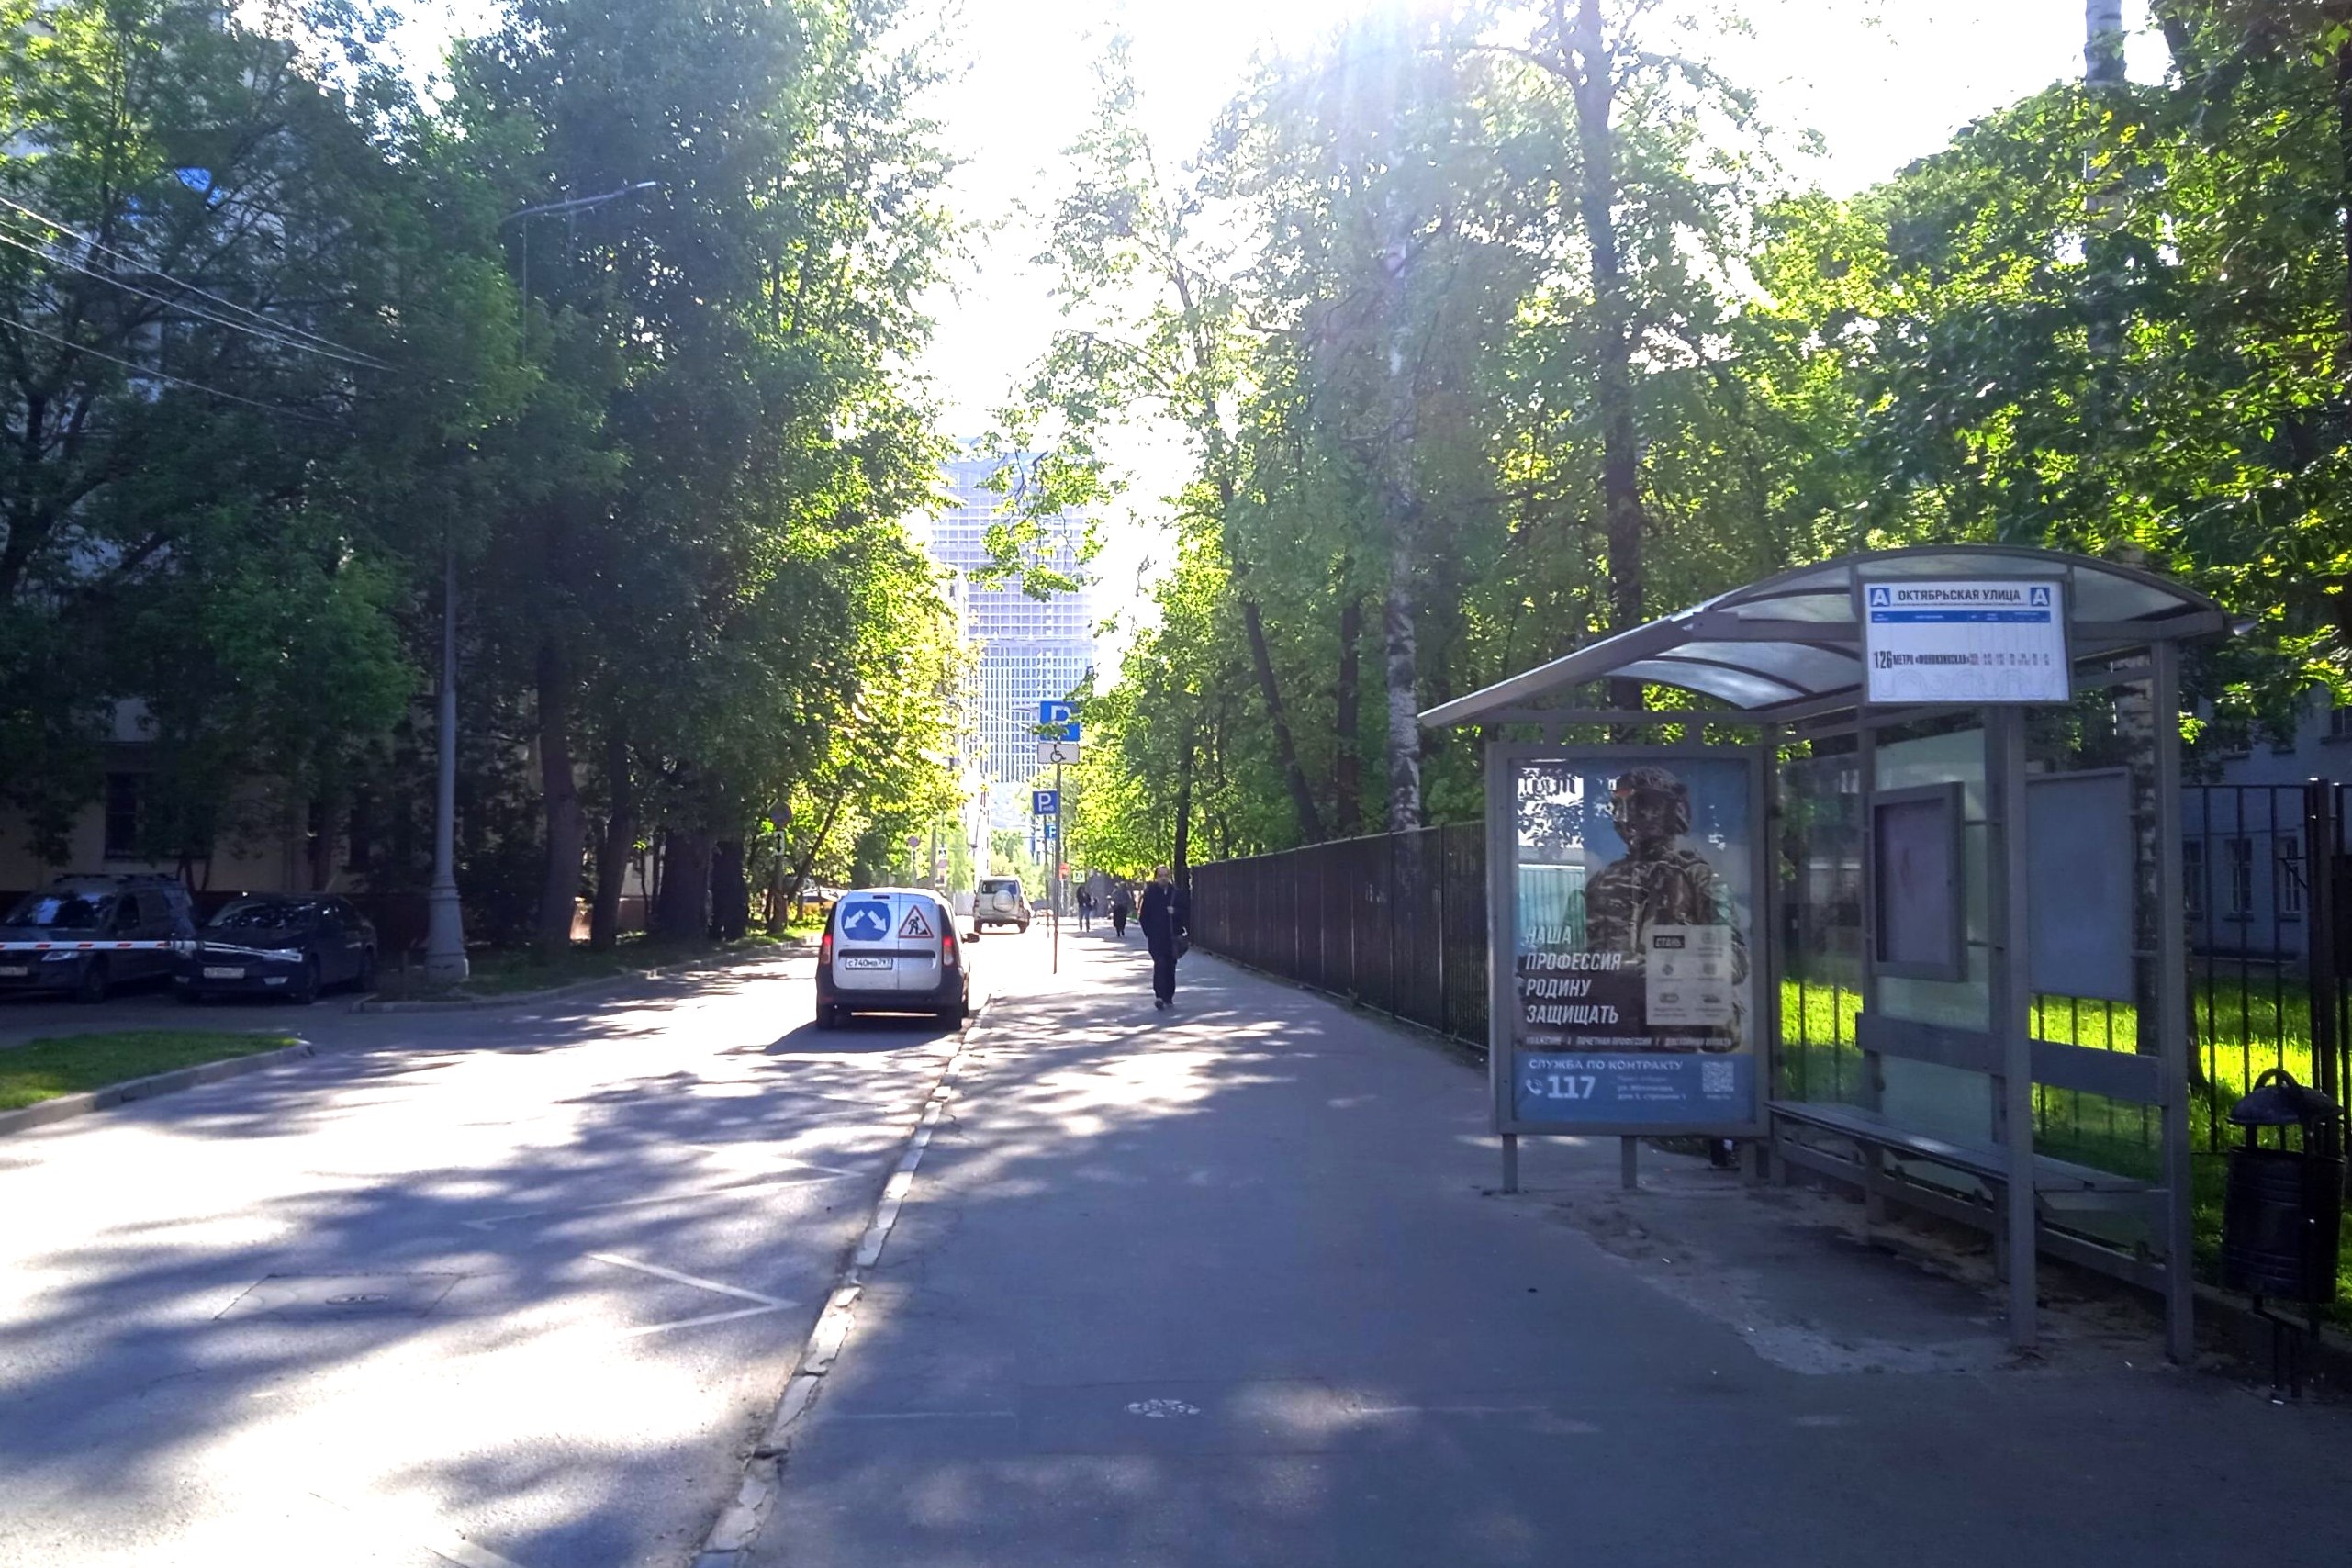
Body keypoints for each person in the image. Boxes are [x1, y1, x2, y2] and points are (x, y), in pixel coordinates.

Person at [1580, 764, 1747, 1050]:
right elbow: (1585, 955)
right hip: (1615, 1035)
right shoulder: (1602, 882)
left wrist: (1663, 969)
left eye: (1642, 805)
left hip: (1679, 1035)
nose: (1625, 817)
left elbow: (1735, 960)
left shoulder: (1697, 877)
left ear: (1672, 811)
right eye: (1618, 806)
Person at [1137, 864, 1189, 1010]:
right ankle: (1159, 996)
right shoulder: (1150, 894)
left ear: (1169, 876)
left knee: (1170, 967)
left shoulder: (1176, 894)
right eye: (1160, 876)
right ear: (1156, 878)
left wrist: (1175, 912)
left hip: (1172, 938)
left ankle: (1169, 996)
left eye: (1166, 875)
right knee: (1160, 965)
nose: (1163, 878)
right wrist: (1149, 933)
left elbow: (1186, 913)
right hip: (1156, 938)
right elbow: (1143, 916)